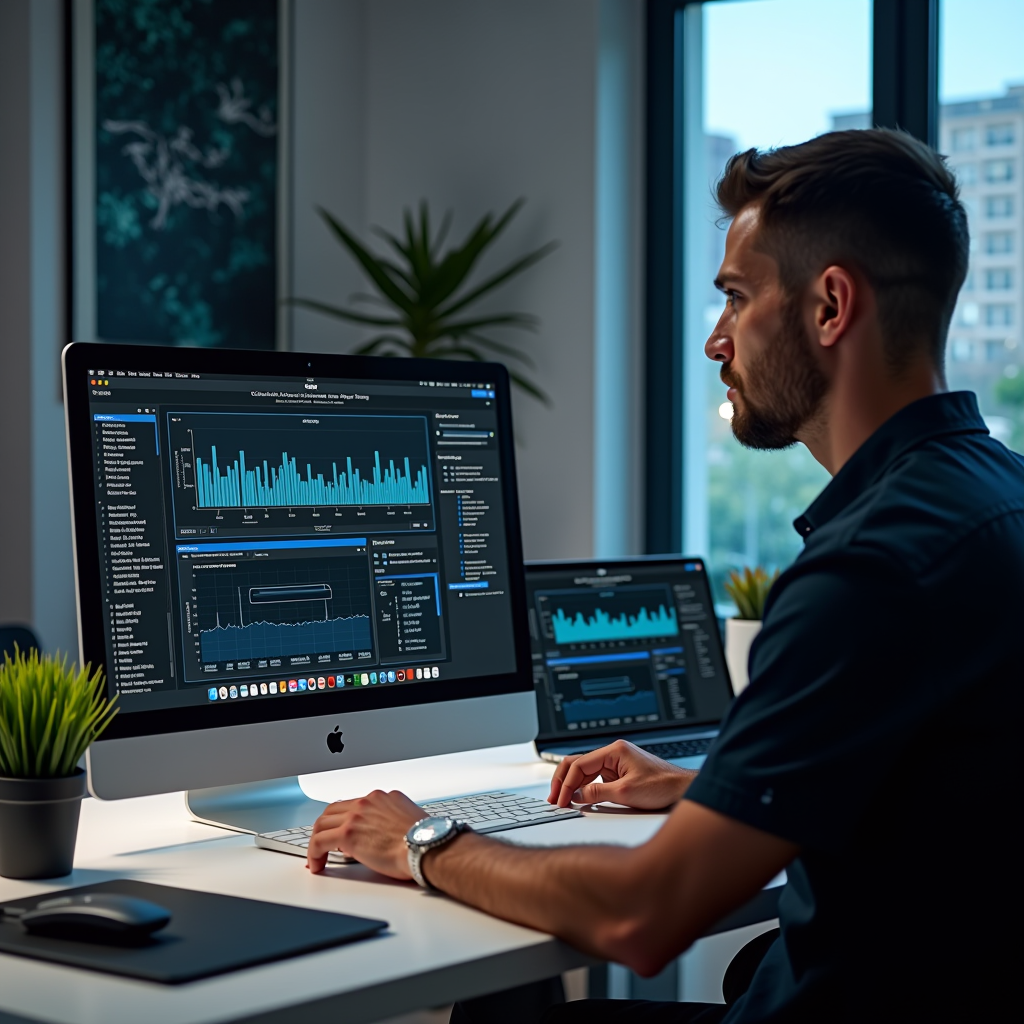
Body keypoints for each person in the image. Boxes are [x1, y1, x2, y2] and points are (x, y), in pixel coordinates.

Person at [306, 130, 1024, 1023]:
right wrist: (707, 785)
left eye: (735, 298)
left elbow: (644, 914)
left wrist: (420, 838)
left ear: (832, 305)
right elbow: (942, 795)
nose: (717, 341)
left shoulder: (866, 573)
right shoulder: (1000, 497)